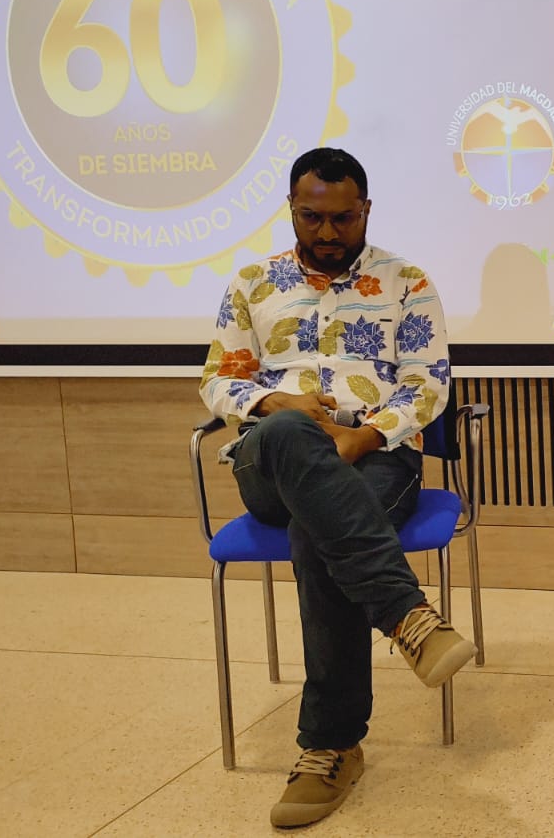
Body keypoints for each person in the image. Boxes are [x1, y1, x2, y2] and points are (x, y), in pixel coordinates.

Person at [199, 147, 476, 827]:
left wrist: (363, 434)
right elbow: (219, 380)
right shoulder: (252, 284)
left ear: (366, 211)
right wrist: (276, 407)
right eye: (311, 217)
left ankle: (331, 745)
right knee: (293, 438)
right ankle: (406, 614)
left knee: (315, 530)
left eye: (341, 219)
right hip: (271, 456)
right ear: (292, 210)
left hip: (375, 451)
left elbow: (427, 384)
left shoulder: (407, 282)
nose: (326, 233)